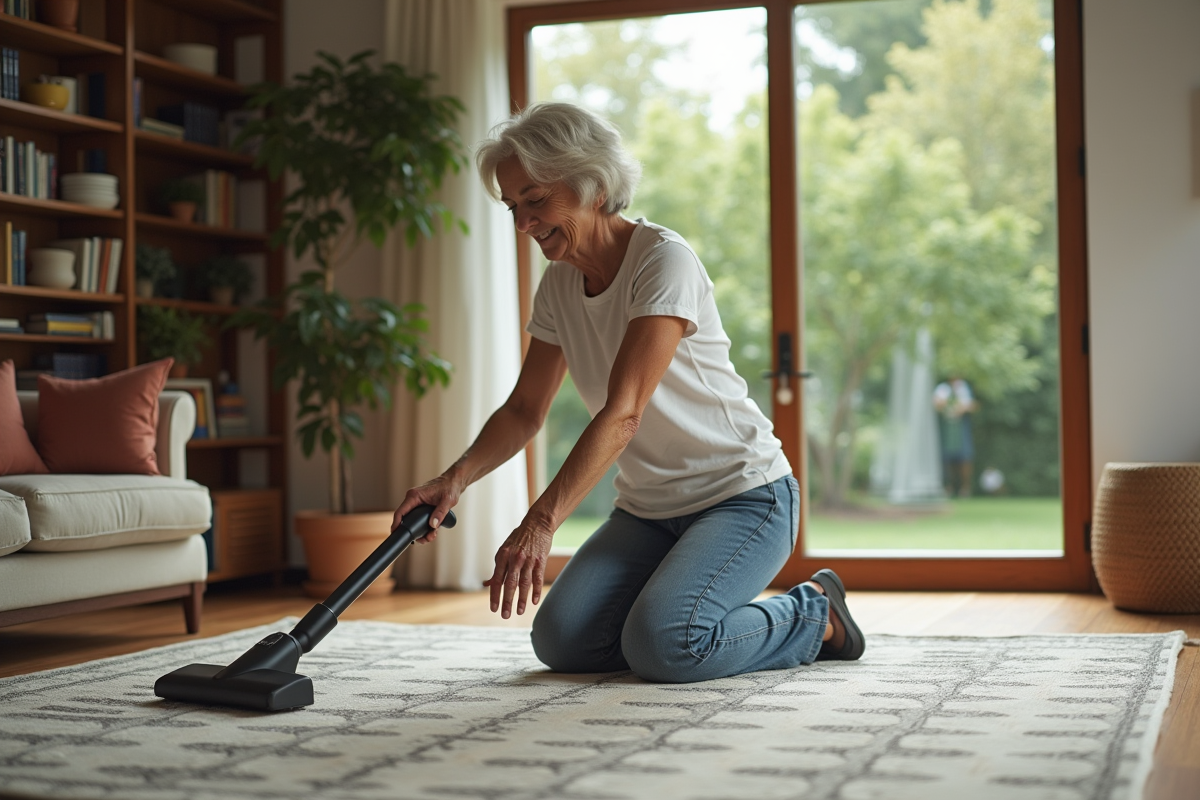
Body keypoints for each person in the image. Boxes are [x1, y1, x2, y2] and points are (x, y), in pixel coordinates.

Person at [393, 102, 864, 683]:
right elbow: (524, 410)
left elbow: (623, 414)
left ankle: (812, 612)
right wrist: (453, 479)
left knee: (667, 646)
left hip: (744, 496)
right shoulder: (559, 283)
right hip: (648, 510)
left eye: (535, 201)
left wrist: (540, 524)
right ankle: (666, 621)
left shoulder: (664, 260)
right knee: (563, 642)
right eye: (513, 207)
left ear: (591, 183)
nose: (523, 224)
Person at [933, 376, 978, 497]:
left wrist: (963, 408)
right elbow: (935, 404)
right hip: (946, 429)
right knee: (946, 459)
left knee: (964, 458)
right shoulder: (942, 389)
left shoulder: (964, 388)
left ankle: (965, 488)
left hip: (961, 428)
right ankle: (948, 487)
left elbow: (973, 405)